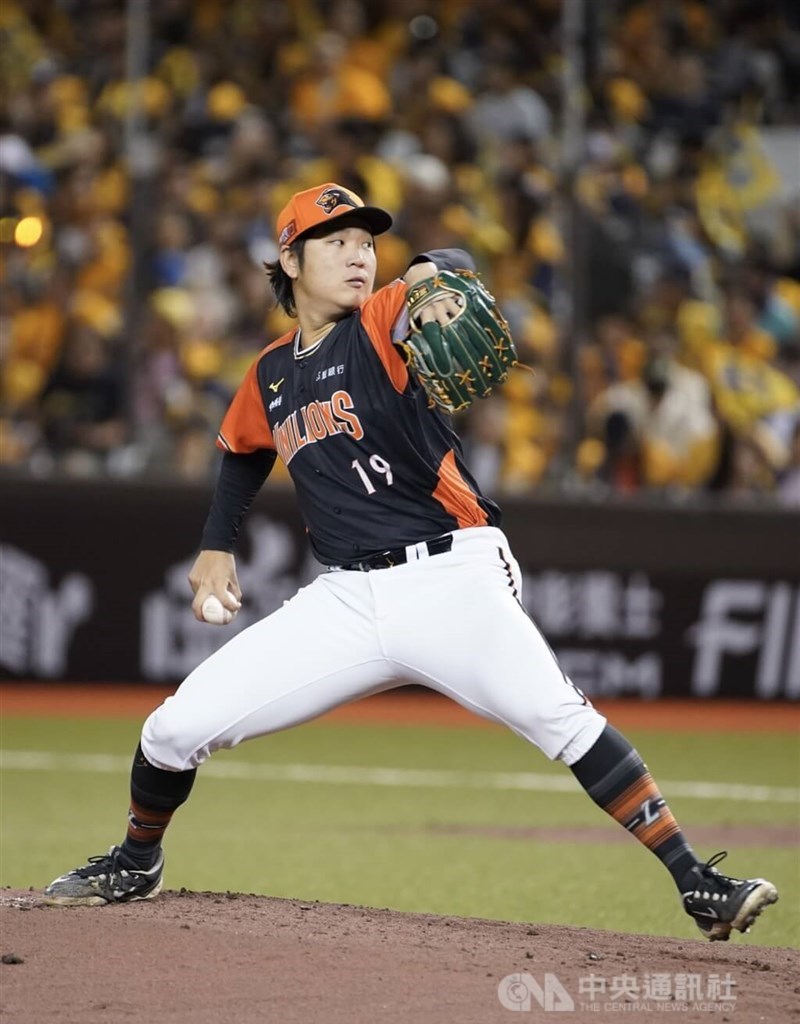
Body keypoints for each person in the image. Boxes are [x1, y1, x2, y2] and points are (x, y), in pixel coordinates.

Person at [44, 183, 778, 941]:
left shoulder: (383, 321)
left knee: (560, 719)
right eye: (336, 242)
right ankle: (136, 862)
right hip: (345, 600)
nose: (359, 254)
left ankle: (700, 884)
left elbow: (443, 265)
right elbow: (240, 453)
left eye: (366, 242)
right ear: (290, 260)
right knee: (171, 730)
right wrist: (215, 544)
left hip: (449, 577)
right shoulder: (269, 373)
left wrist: (430, 278)